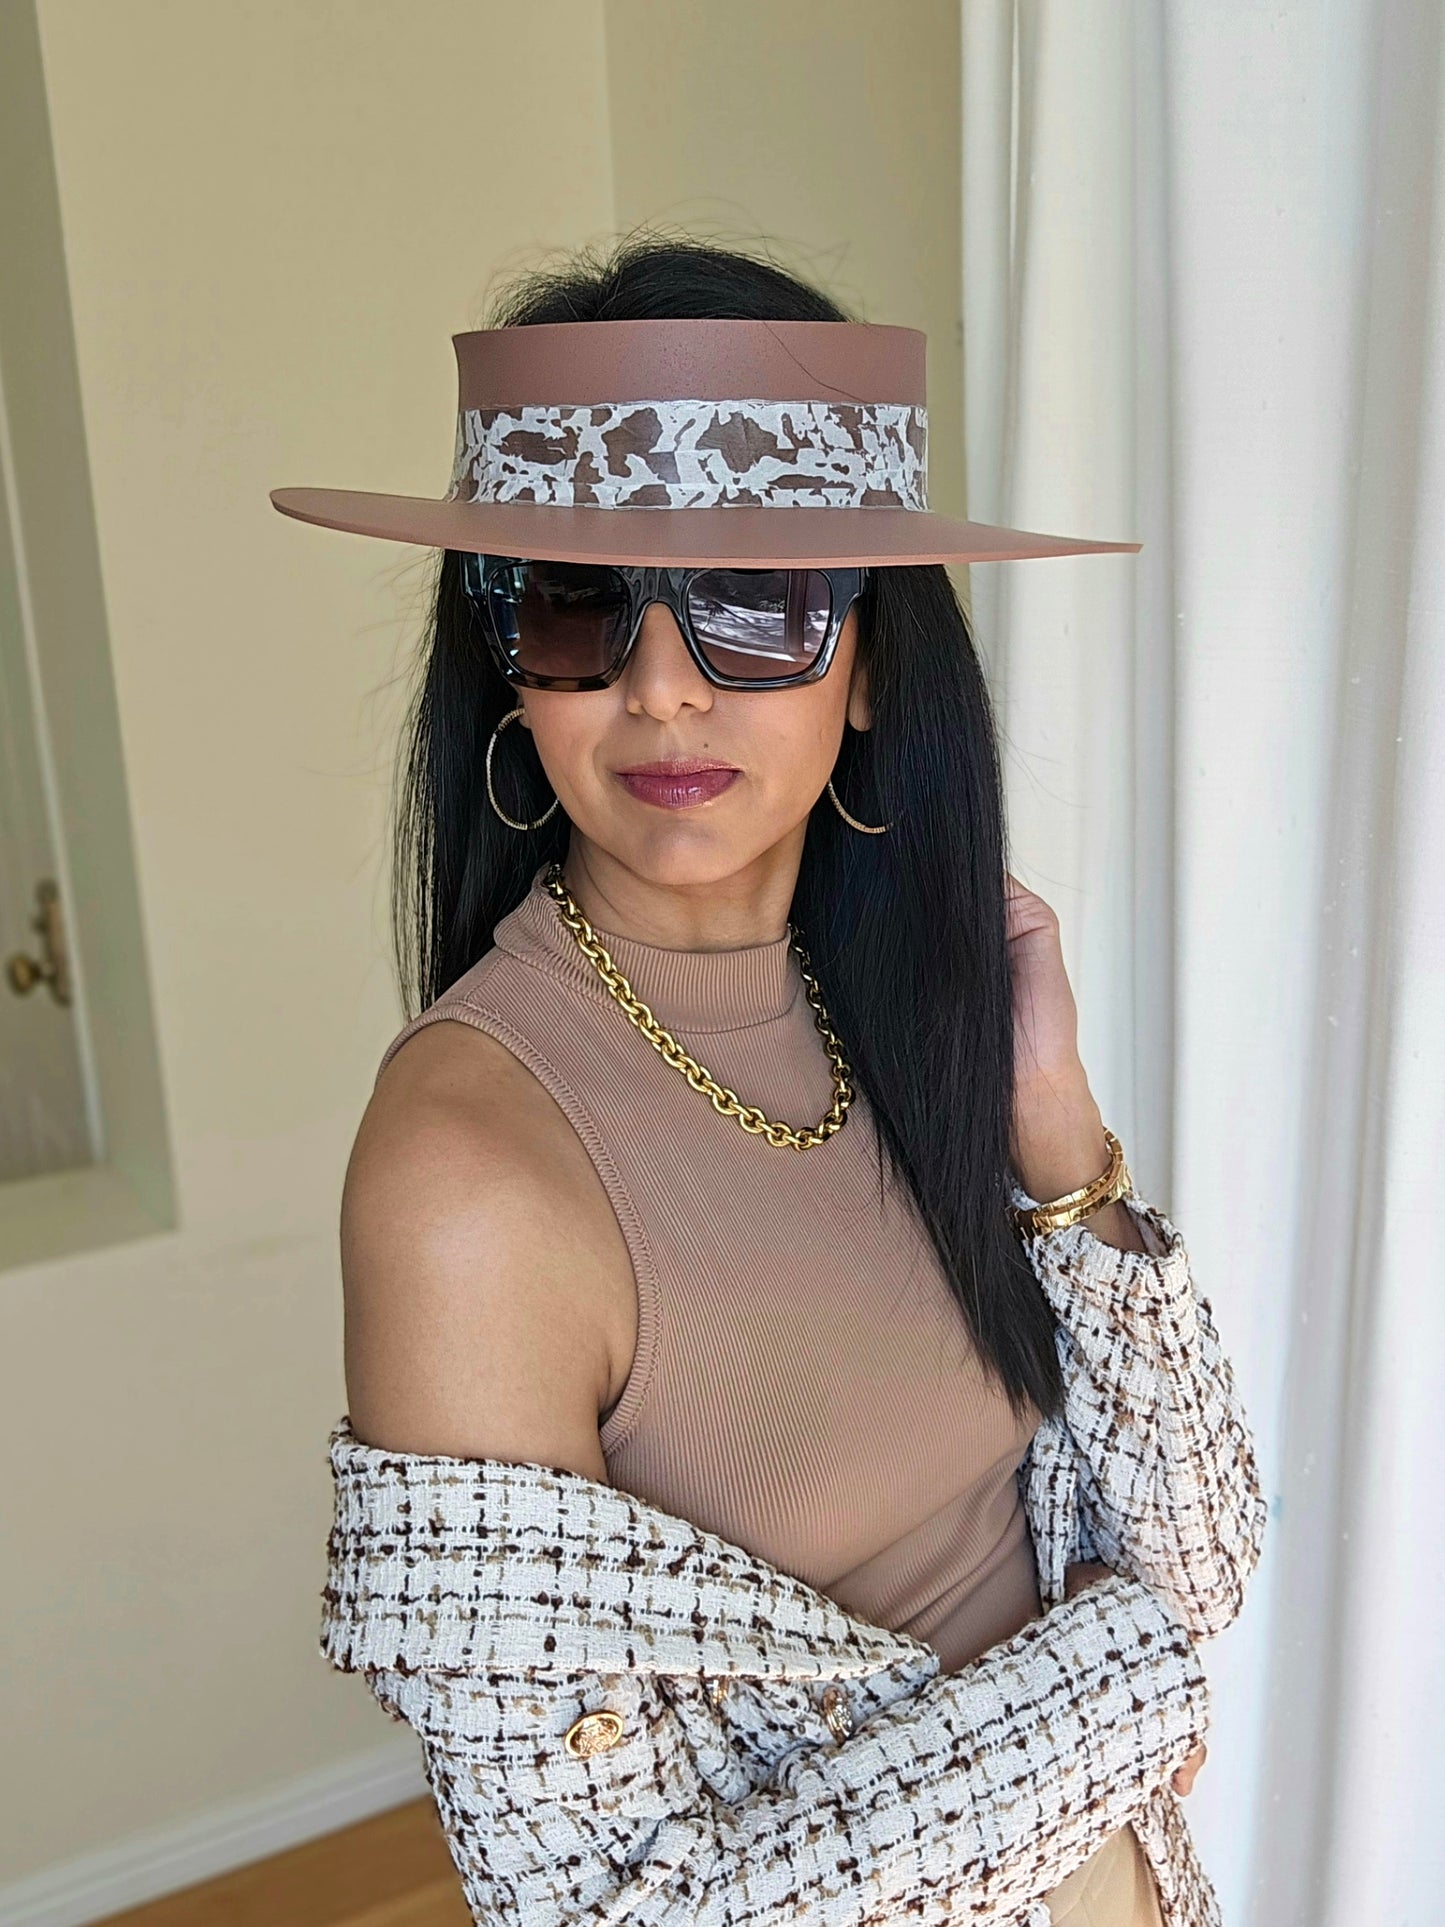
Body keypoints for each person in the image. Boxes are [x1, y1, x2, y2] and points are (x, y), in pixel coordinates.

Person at [273, 232, 1266, 1927]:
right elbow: (614, 1904)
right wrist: (1125, 1700)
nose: (661, 686)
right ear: (506, 660)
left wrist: (1059, 1139)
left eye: (756, 600)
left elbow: (1196, 1548)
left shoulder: (904, 1016)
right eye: (580, 604)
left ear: (870, 657)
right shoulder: (469, 1174)